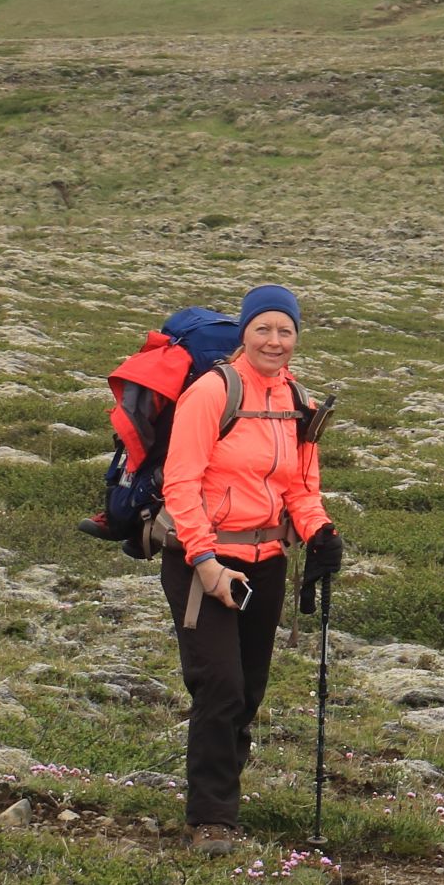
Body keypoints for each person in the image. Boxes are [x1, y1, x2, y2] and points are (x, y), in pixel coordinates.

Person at [156, 284, 344, 851]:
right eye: (263, 328)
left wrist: (319, 531)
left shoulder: (298, 402)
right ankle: (211, 819)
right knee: (221, 684)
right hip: (204, 560)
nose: (274, 340)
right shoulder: (212, 392)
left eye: (285, 330)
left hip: (265, 564)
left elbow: (300, 488)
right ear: (244, 332)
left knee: (249, 690)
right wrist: (205, 561)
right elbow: (181, 485)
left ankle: (221, 798)